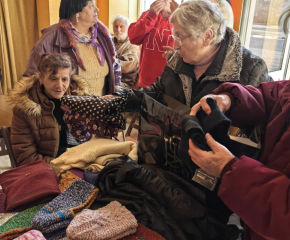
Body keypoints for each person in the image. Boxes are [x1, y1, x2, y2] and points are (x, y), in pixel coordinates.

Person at [187, 3, 290, 240]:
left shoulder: (251, 64)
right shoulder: (177, 62)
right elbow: (273, 97)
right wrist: (229, 98)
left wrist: (230, 170)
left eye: (181, 36)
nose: (175, 44)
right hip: (256, 218)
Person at [136, 0, 272, 108]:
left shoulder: (252, 71)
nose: (175, 46)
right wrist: (123, 97)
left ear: (207, 37)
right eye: (174, 36)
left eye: (180, 37)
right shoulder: (178, 59)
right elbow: (156, 93)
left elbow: (260, 128)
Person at [24, 0, 121, 96]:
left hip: (102, 107)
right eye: (91, 5)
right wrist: (51, 108)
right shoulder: (51, 37)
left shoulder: (102, 34)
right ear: (77, 12)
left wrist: (116, 87)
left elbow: (115, 65)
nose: (97, 9)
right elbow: (32, 79)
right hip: (69, 109)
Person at [9, 54, 89, 166]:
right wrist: (62, 164)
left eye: (65, 79)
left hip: (80, 161)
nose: (60, 86)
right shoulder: (25, 108)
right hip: (49, 167)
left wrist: (77, 120)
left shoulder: (80, 100)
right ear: (41, 78)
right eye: (53, 79)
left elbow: (90, 139)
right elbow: (26, 157)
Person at [128, 0, 177, 88]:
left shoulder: (180, 17)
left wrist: (178, 14)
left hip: (171, 80)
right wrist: (151, 15)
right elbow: (133, 38)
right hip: (147, 80)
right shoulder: (148, 14)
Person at [112, 14, 140, 89]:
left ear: (128, 28)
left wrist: (107, 60)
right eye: (116, 26)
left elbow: (127, 67)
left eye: (121, 26)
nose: (118, 30)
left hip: (123, 82)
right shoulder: (109, 41)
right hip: (109, 78)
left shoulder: (133, 44)